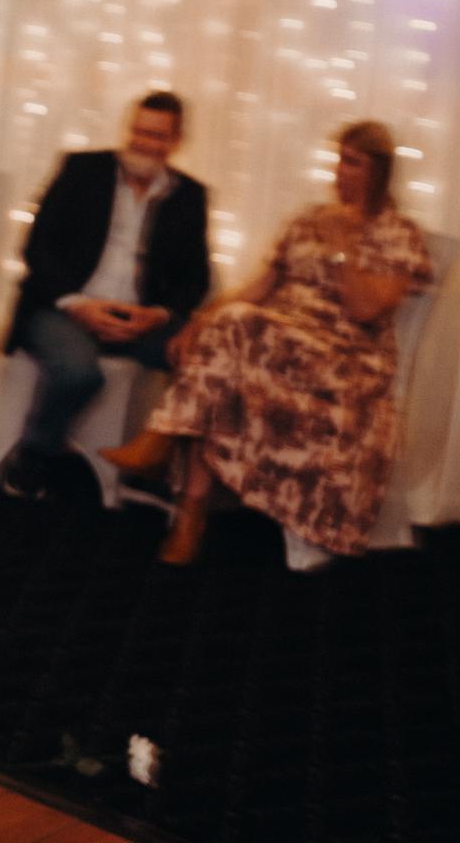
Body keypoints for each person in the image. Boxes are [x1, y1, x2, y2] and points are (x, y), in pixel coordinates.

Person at [101, 121, 433, 563]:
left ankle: (165, 454)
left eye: (352, 162)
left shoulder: (398, 233)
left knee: (234, 334)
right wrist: (199, 322)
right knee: (220, 355)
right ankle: (189, 514)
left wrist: (341, 248)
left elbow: (366, 310)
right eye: (339, 160)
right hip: (272, 342)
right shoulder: (308, 219)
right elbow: (257, 288)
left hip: (344, 358)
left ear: (379, 170)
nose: (340, 171)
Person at [0, 92, 211, 500]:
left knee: (207, 362)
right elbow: (36, 248)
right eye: (139, 132)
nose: (145, 143)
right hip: (64, 307)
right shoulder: (82, 170)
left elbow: (195, 280)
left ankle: (164, 466)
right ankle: (34, 454)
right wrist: (80, 306)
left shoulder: (189, 196)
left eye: (158, 136)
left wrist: (160, 315)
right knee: (79, 372)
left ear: (177, 141)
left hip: (138, 318)